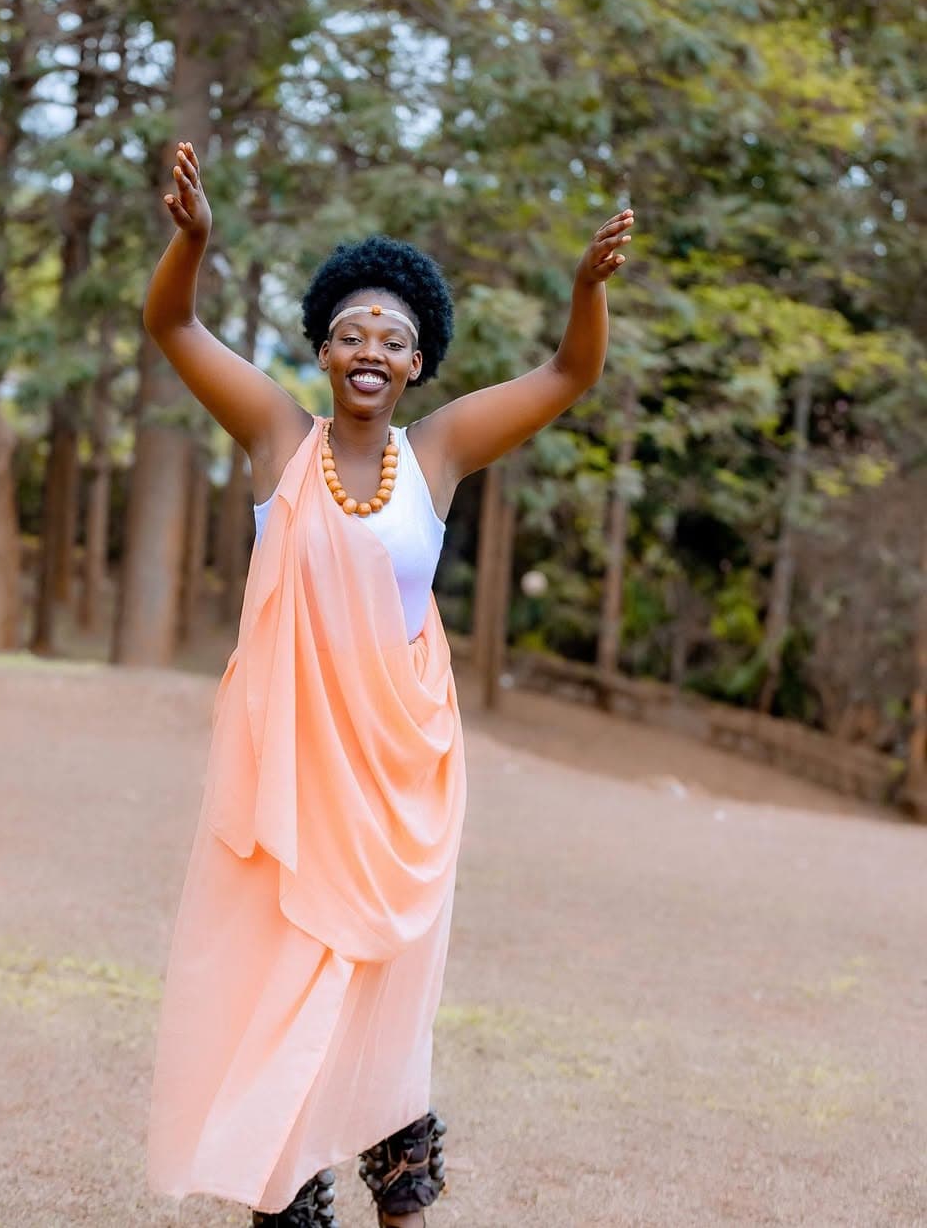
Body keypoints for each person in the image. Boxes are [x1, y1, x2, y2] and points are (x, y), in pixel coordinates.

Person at [143, 140, 633, 1228]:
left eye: (395, 339)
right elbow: (174, 328)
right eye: (354, 332)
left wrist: (583, 294)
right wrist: (193, 245)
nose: (372, 347)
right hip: (294, 783)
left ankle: (400, 1199)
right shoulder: (277, 436)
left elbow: (569, 377)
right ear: (324, 350)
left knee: (388, 1005)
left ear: (417, 366)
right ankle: (285, 1194)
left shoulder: (440, 454)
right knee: (289, 989)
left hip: (402, 785)